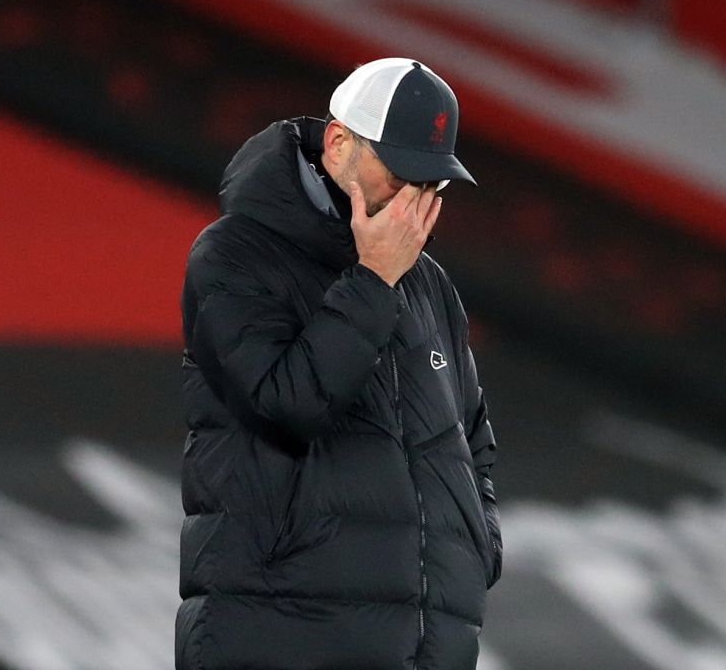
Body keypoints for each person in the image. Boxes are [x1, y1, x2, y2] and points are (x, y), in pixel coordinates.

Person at [176, 58, 502, 670]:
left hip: (427, 648)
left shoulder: (428, 284)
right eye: (402, 173)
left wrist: (476, 545)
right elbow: (284, 404)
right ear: (338, 142)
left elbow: (472, 438)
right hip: (279, 634)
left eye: (434, 184)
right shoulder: (235, 255)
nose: (416, 201)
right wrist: (374, 279)